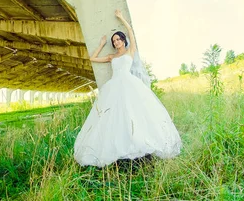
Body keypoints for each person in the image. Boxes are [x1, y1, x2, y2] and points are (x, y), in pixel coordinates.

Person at [74, 9, 181, 167]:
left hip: (130, 85)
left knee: (135, 114)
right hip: (114, 86)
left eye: (118, 39)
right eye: (114, 41)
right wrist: (102, 44)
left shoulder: (130, 51)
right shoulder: (112, 56)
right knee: (115, 117)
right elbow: (93, 58)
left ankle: (141, 150)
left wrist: (121, 18)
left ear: (123, 40)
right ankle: (120, 150)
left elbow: (130, 31)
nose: (116, 42)